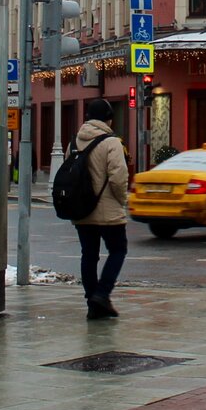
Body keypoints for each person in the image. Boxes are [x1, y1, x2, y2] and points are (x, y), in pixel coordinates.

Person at [73, 99, 130, 320]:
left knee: (89, 255)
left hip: (82, 209)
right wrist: (122, 199)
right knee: (118, 250)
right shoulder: (111, 142)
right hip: (108, 211)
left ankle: (92, 302)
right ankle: (102, 294)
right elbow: (118, 177)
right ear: (107, 118)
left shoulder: (74, 141)